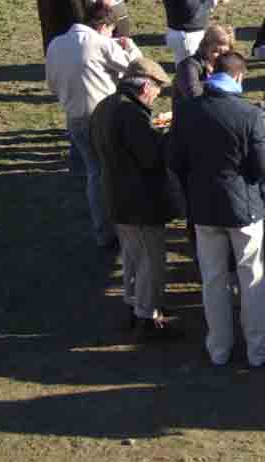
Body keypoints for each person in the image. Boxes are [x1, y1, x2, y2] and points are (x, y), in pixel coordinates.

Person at [168, 52, 265, 368]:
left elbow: (174, 159)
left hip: (203, 207)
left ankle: (218, 349)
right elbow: (263, 167)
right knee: (251, 277)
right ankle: (259, 350)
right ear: (240, 78)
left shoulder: (186, 111)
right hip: (243, 208)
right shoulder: (248, 113)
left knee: (213, 279)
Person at [90, 58, 185, 340]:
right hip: (139, 202)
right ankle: (147, 317)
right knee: (151, 261)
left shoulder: (105, 105)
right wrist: (168, 136)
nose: (157, 96)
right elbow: (151, 158)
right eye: (157, 89)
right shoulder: (132, 114)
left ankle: (134, 306)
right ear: (145, 85)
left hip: (116, 196)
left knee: (132, 257)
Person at [46, 1, 142, 247]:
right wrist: (129, 45)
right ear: (104, 26)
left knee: (93, 172)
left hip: (73, 116)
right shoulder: (100, 43)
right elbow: (138, 69)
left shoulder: (55, 44)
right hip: (102, 115)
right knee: (113, 171)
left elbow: (52, 84)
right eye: (112, 30)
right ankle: (122, 226)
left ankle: (103, 230)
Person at [173, 24, 235, 111]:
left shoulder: (226, 66)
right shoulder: (188, 66)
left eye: (224, 53)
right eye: (215, 51)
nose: (220, 56)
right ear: (205, 47)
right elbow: (194, 96)